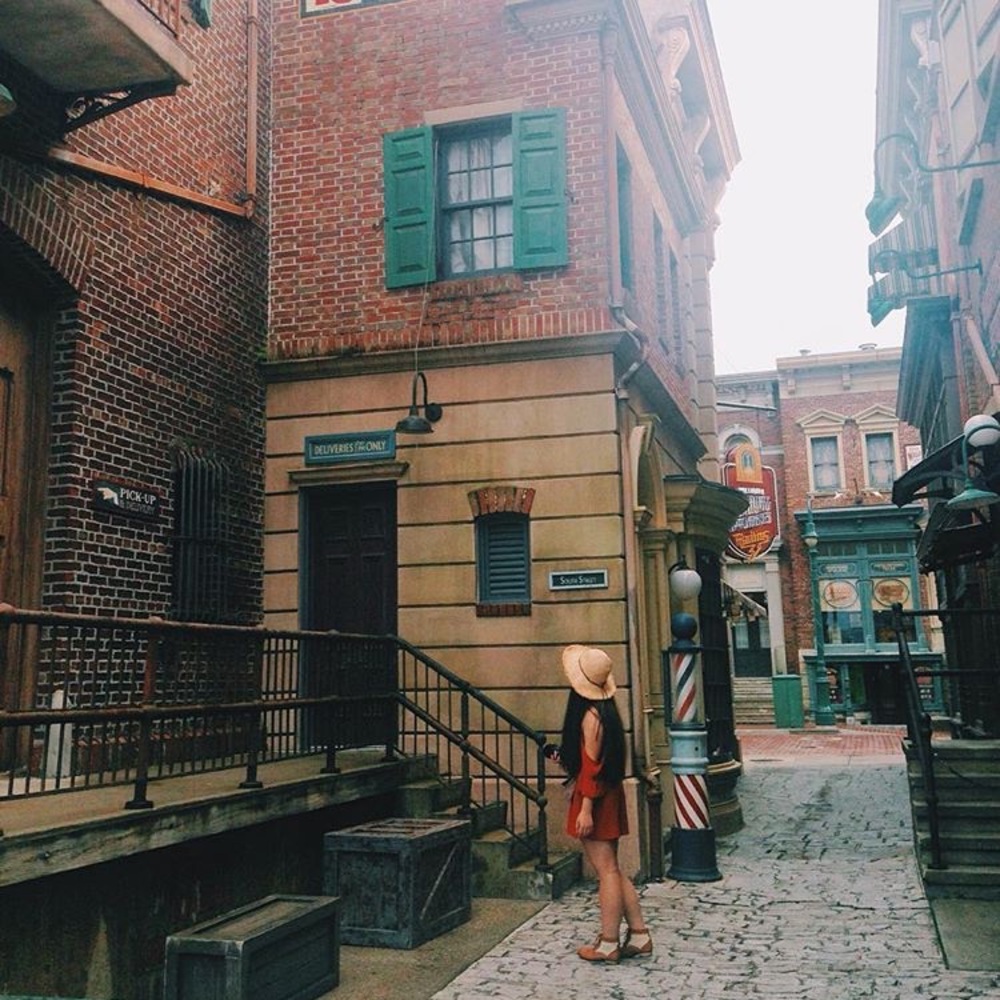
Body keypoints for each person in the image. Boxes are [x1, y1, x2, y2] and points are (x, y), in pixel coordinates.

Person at [556, 643, 652, 963]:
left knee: (606, 871)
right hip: (606, 793)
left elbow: (591, 768)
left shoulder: (590, 717)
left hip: (595, 798)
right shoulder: (606, 713)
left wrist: (585, 809)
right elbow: (594, 765)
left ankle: (609, 942)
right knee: (613, 868)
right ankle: (638, 934)